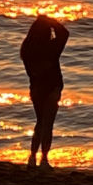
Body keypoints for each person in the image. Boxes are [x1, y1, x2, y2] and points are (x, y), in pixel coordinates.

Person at [19, 14, 70, 169]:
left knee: (40, 122)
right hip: (52, 87)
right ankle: (44, 159)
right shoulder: (51, 48)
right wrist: (51, 21)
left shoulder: (27, 49)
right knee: (48, 124)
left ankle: (32, 157)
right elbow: (64, 33)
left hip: (36, 88)